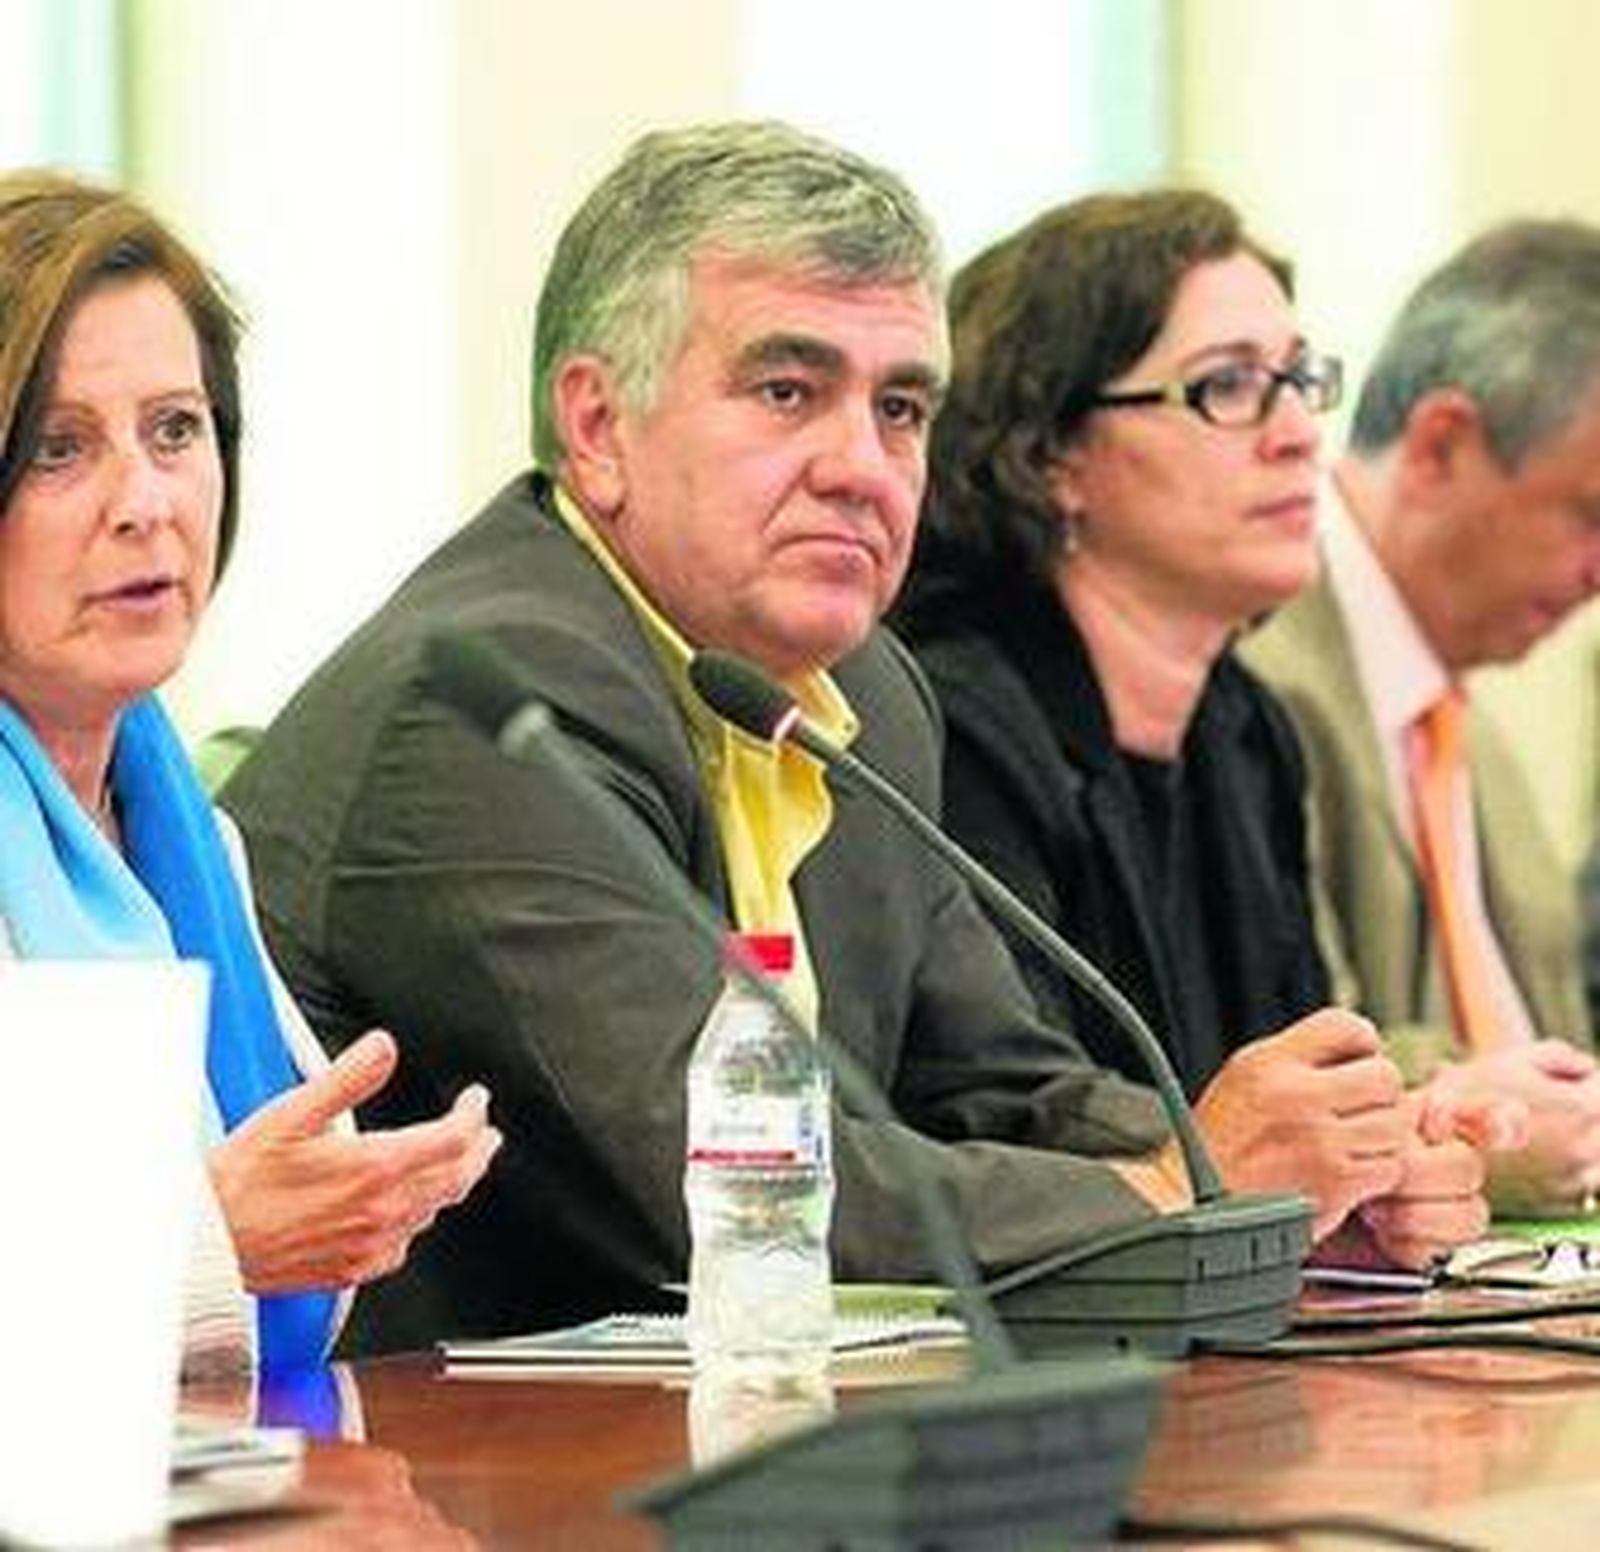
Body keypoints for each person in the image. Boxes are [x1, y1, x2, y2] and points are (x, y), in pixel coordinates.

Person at [223, 120, 1218, 1358]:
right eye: (788, 391)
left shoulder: (860, 693)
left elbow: (1001, 1084)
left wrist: (1257, 1158)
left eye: (901, 407)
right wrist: (1164, 1201)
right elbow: (724, 1190)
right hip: (440, 1479)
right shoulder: (491, 707)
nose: (864, 466)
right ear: (596, 426)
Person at [892, 189, 1495, 1268]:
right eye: (1227, 388)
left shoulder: (1244, 725)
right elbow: (1000, 1119)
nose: (1298, 434)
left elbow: (1297, 1090)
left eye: (1300, 382)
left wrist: (1384, 1166)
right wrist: (1253, 1176)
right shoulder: (944, 721)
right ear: (1051, 456)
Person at [0, 171, 501, 1378]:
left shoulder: (182, 833)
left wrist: (362, 1198)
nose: (148, 503)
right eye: (60, 449)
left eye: (177, 430)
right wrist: (211, 1239)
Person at [1242, 219, 1600, 1216]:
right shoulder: (1249, 679)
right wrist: (1489, 1132)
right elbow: (1283, 1080)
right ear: (1440, 444)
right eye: (1589, 514)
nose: (1597, 575)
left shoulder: (1469, 731)